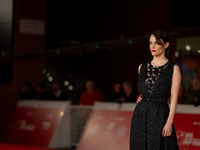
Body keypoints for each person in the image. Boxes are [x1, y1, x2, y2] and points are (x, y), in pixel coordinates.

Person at [130, 30, 181, 150]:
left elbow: (174, 97)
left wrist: (169, 122)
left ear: (166, 45)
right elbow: (145, 91)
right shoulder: (141, 67)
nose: (152, 46)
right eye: (150, 43)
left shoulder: (173, 69)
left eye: (157, 43)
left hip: (159, 114)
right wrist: (142, 98)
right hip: (140, 115)